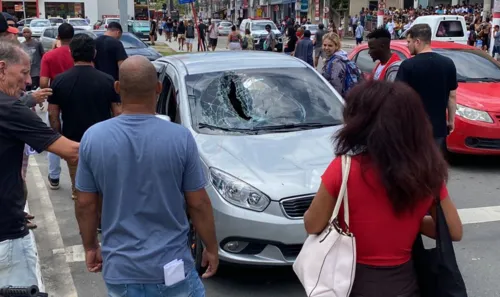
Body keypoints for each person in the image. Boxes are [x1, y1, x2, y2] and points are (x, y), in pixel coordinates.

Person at [75, 56, 219, 296]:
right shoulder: (180, 138)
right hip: (171, 267)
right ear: (159, 89)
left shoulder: (93, 137)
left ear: (118, 88)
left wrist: (90, 246)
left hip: (120, 269)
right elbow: (199, 203)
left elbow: (85, 204)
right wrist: (212, 248)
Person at [304, 81, 462, 297]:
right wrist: (410, 221)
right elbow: (453, 230)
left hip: (352, 284)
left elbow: (312, 224)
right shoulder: (428, 171)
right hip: (405, 285)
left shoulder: (344, 168)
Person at [0, 41, 79, 287]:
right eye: (23, 73)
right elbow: (71, 151)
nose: (27, 81)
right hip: (6, 233)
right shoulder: (9, 108)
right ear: (2, 68)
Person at [48, 34, 122, 200]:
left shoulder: (59, 81)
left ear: (71, 54)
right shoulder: (107, 80)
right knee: (104, 189)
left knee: (80, 192)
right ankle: (102, 222)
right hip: (103, 143)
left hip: (72, 144)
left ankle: (87, 224)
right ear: (94, 53)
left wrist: (59, 139)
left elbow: (53, 115)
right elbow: (118, 113)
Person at [395, 24, 457, 150]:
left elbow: (397, 98)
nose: (407, 45)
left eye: (409, 41)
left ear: (417, 41)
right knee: (432, 165)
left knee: (413, 165)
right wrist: (451, 120)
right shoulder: (448, 63)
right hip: (438, 128)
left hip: (413, 128)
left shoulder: (408, 65)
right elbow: (452, 96)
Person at [40, 23, 75, 190]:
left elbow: (43, 82)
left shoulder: (49, 56)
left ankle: (54, 177)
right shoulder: (79, 54)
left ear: (58, 37)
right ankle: (80, 179)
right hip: (76, 100)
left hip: (56, 101)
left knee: (54, 138)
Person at [321, 32, 362, 96]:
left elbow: (336, 89)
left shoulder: (336, 63)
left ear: (336, 46)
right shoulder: (341, 57)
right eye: (324, 45)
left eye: (330, 45)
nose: (326, 48)